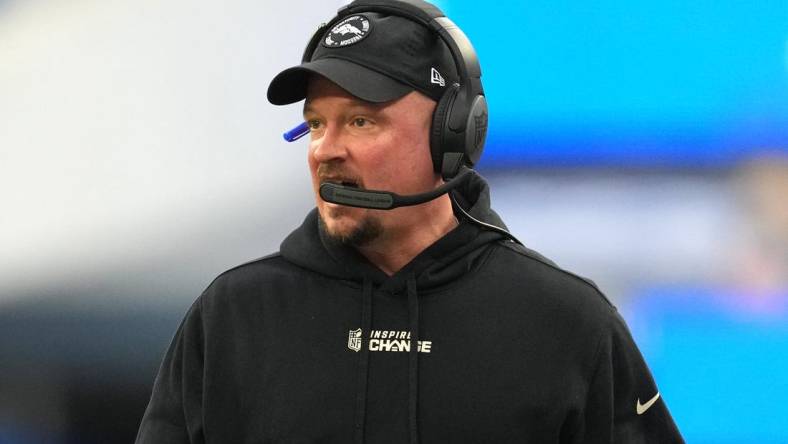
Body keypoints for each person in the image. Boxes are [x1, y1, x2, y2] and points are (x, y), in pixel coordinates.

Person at [135, 1, 684, 442]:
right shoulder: (231, 317)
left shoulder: (567, 323)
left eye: (359, 121)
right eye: (315, 124)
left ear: (453, 133)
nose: (326, 149)